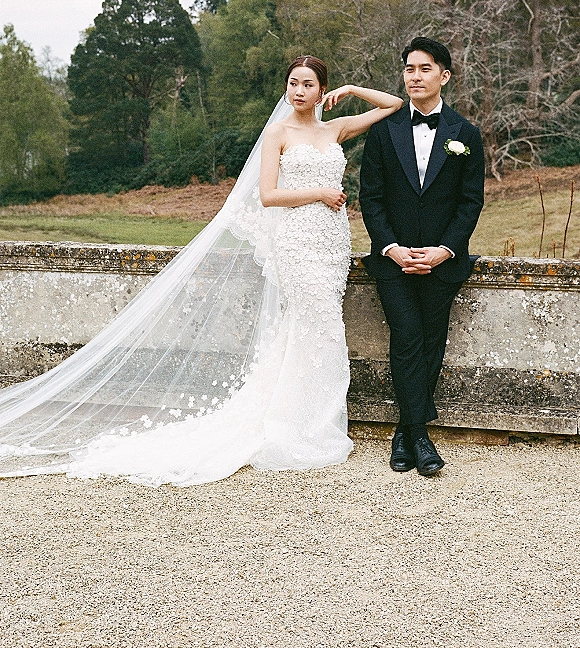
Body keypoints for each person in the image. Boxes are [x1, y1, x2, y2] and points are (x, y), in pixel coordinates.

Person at [0, 56, 402, 486]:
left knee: (309, 329)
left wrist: (354, 90)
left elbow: (393, 104)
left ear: (323, 90)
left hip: (331, 244)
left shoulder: (333, 129)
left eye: (308, 84)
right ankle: (299, 428)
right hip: (297, 242)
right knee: (321, 326)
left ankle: (304, 420)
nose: (299, 91)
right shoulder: (277, 133)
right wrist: (319, 192)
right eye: (292, 83)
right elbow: (268, 195)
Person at [359, 37, 485, 476]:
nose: (414, 76)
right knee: (407, 337)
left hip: (443, 261)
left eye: (424, 69)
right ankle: (420, 438)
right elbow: (370, 199)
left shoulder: (465, 134)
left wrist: (443, 250)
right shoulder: (383, 131)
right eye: (409, 69)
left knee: (431, 342)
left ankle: (405, 432)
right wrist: (392, 249)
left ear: (443, 76)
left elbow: (471, 201)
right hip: (392, 260)